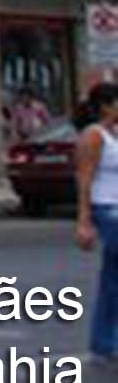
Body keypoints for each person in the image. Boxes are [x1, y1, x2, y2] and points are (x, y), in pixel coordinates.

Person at [75, 82, 118, 363]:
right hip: (107, 209)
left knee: (112, 279)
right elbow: (85, 178)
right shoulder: (94, 136)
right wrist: (84, 220)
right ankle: (104, 340)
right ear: (106, 106)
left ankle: (103, 341)